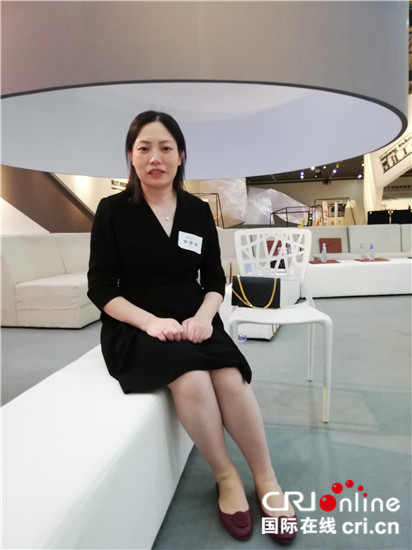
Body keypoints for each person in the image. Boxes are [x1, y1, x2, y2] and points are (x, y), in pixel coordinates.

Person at [87, 110, 297, 543]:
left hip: (196, 320)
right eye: (144, 148)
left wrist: (203, 319)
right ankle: (226, 476)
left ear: (181, 156)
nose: (155, 157)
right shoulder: (112, 210)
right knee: (193, 379)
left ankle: (266, 478)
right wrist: (151, 323)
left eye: (166, 148)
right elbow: (101, 287)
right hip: (137, 325)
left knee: (231, 378)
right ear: (131, 155)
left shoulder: (198, 211)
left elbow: (215, 280)